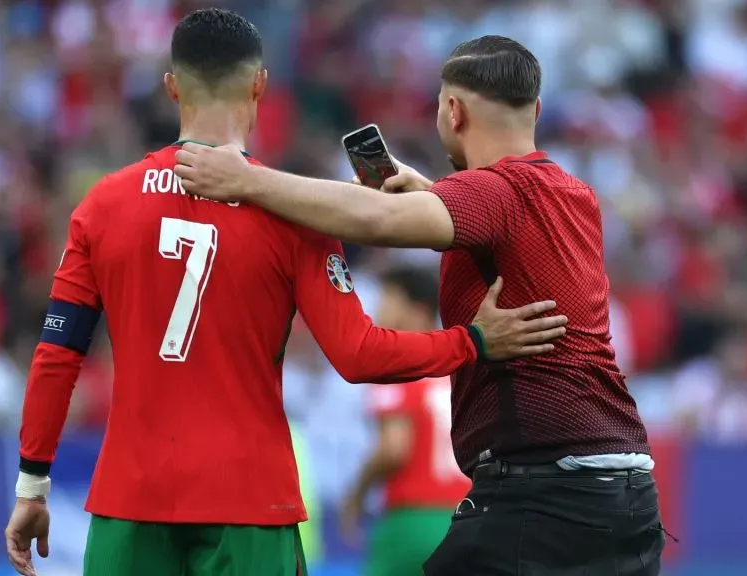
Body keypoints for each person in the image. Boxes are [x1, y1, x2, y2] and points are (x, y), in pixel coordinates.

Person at [4, 13, 568, 576]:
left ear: (173, 85)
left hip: (130, 502)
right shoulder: (296, 214)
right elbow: (359, 354)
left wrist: (32, 485)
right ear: (260, 86)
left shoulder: (102, 206)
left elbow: (58, 354)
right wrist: (471, 342)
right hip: (249, 502)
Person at [173, 35, 665, 575]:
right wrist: (433, 194)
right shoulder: (572, 193)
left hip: (544, 493)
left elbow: (375, 220)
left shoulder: (491, 193)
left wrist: (249, 180)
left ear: (453, 112)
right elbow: (505, 231)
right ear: (537, 110)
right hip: (628, 491)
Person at [341, 267, 471, 576]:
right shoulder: (461, 371)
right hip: (468, 518)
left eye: (388, 298)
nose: (378, 310)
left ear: (417, 310)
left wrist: (356, 494)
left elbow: (393, 448)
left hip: (412, 521)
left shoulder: (398, 367)